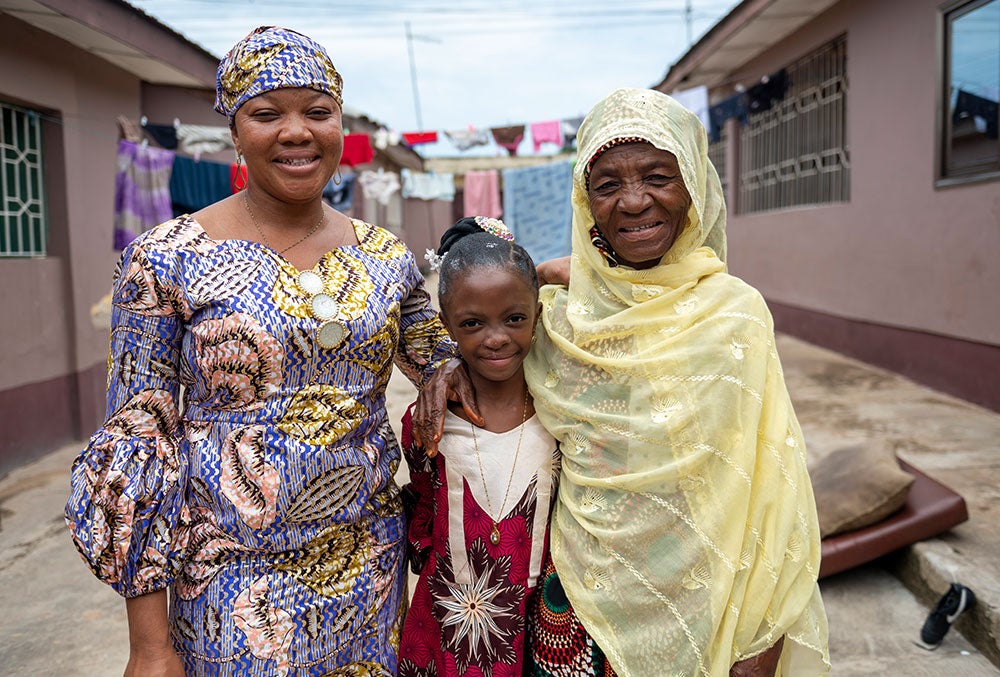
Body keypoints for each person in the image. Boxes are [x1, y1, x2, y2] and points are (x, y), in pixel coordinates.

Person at [65, 26, 465, 676]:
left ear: (340, 121)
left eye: (317, 110)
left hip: (368, 569)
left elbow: (448, 362)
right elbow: (136, 440)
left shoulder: (384, 256)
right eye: (267, 112)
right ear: (234, 130)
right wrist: (149, 642)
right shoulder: (165, 258)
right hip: (228, 582)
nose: (297, 131)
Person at [414, 88, 830, 676]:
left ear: (694, 185)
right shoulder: (557, 318)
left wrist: (761, 641)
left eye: (658, 176)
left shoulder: (734, 316)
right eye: (607, 184)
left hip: (705, 600)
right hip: (575, 604)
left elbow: (773, 492)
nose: (634, 202)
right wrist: (449, 369)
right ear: (586, 201)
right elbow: (494, 343)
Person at [397, 217, 559, 677]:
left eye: (515, 318)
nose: (496, 338)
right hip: (446, 635)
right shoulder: (426, 423)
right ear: (446, 325)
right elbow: (425, 512)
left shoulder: (561, 412)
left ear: (538, 313)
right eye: (472, 323)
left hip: (545, 631)